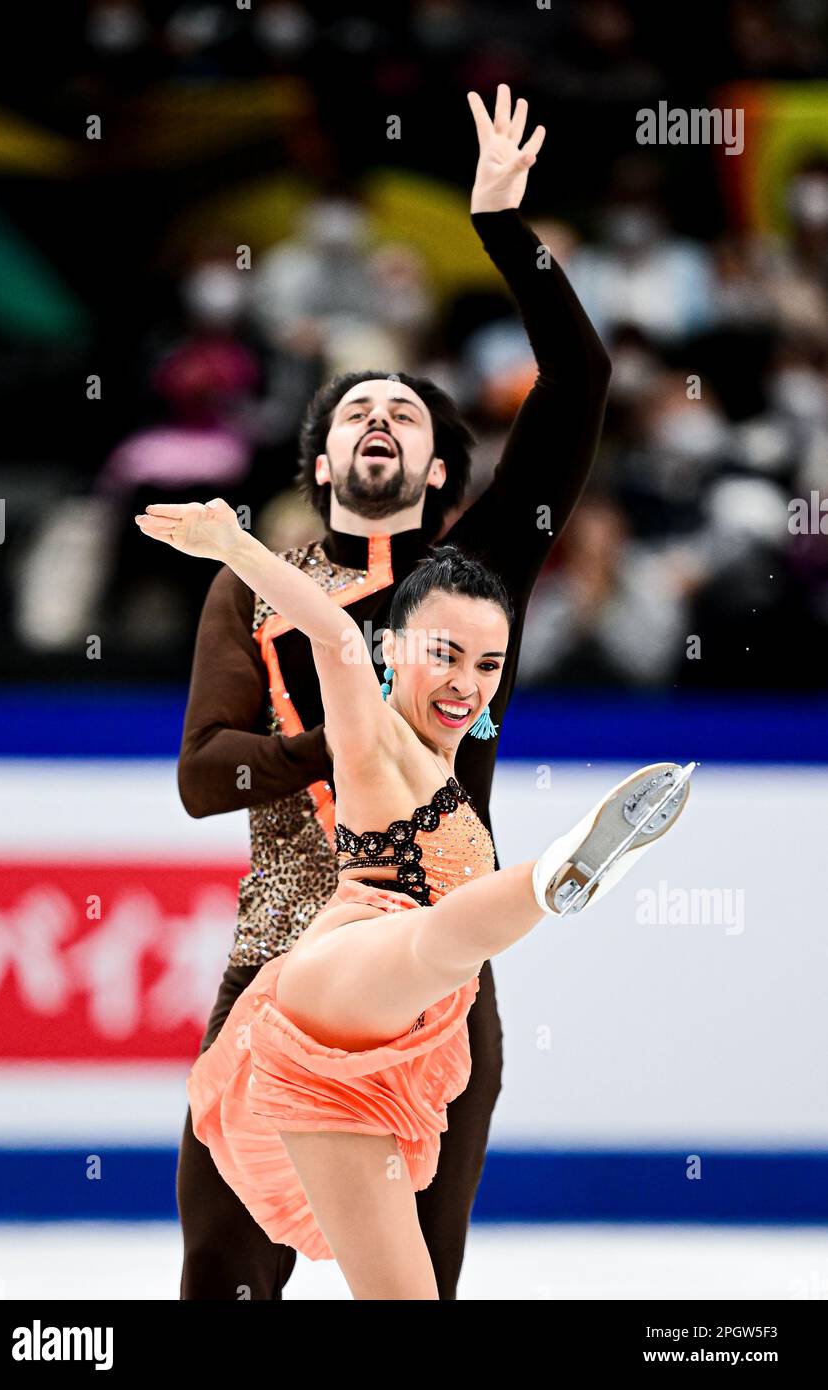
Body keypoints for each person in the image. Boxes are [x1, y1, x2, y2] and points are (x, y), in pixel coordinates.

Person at [171, 84, 613, 1301]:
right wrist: (346, 740)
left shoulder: (472, 585)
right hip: (278, 951)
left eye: (404, 412)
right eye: (354, 408)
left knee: (420, 1282)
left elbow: (577, 382)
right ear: (319, 465)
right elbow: (204, 779)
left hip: (432, 968)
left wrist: (502, 230)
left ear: (434, 468)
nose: (380, 414)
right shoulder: (255, 591)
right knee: (222, 1274)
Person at [136, 496, 693, 1300]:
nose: (467, 683)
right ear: (392, 646)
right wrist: (235, 546)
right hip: (345, 972)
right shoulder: (372, 733)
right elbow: (329, 633)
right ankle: (555, 877)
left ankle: (551, 880)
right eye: (445, 653)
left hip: (368, 1071)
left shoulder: (447, 778)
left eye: (488, 665)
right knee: (437, 940)